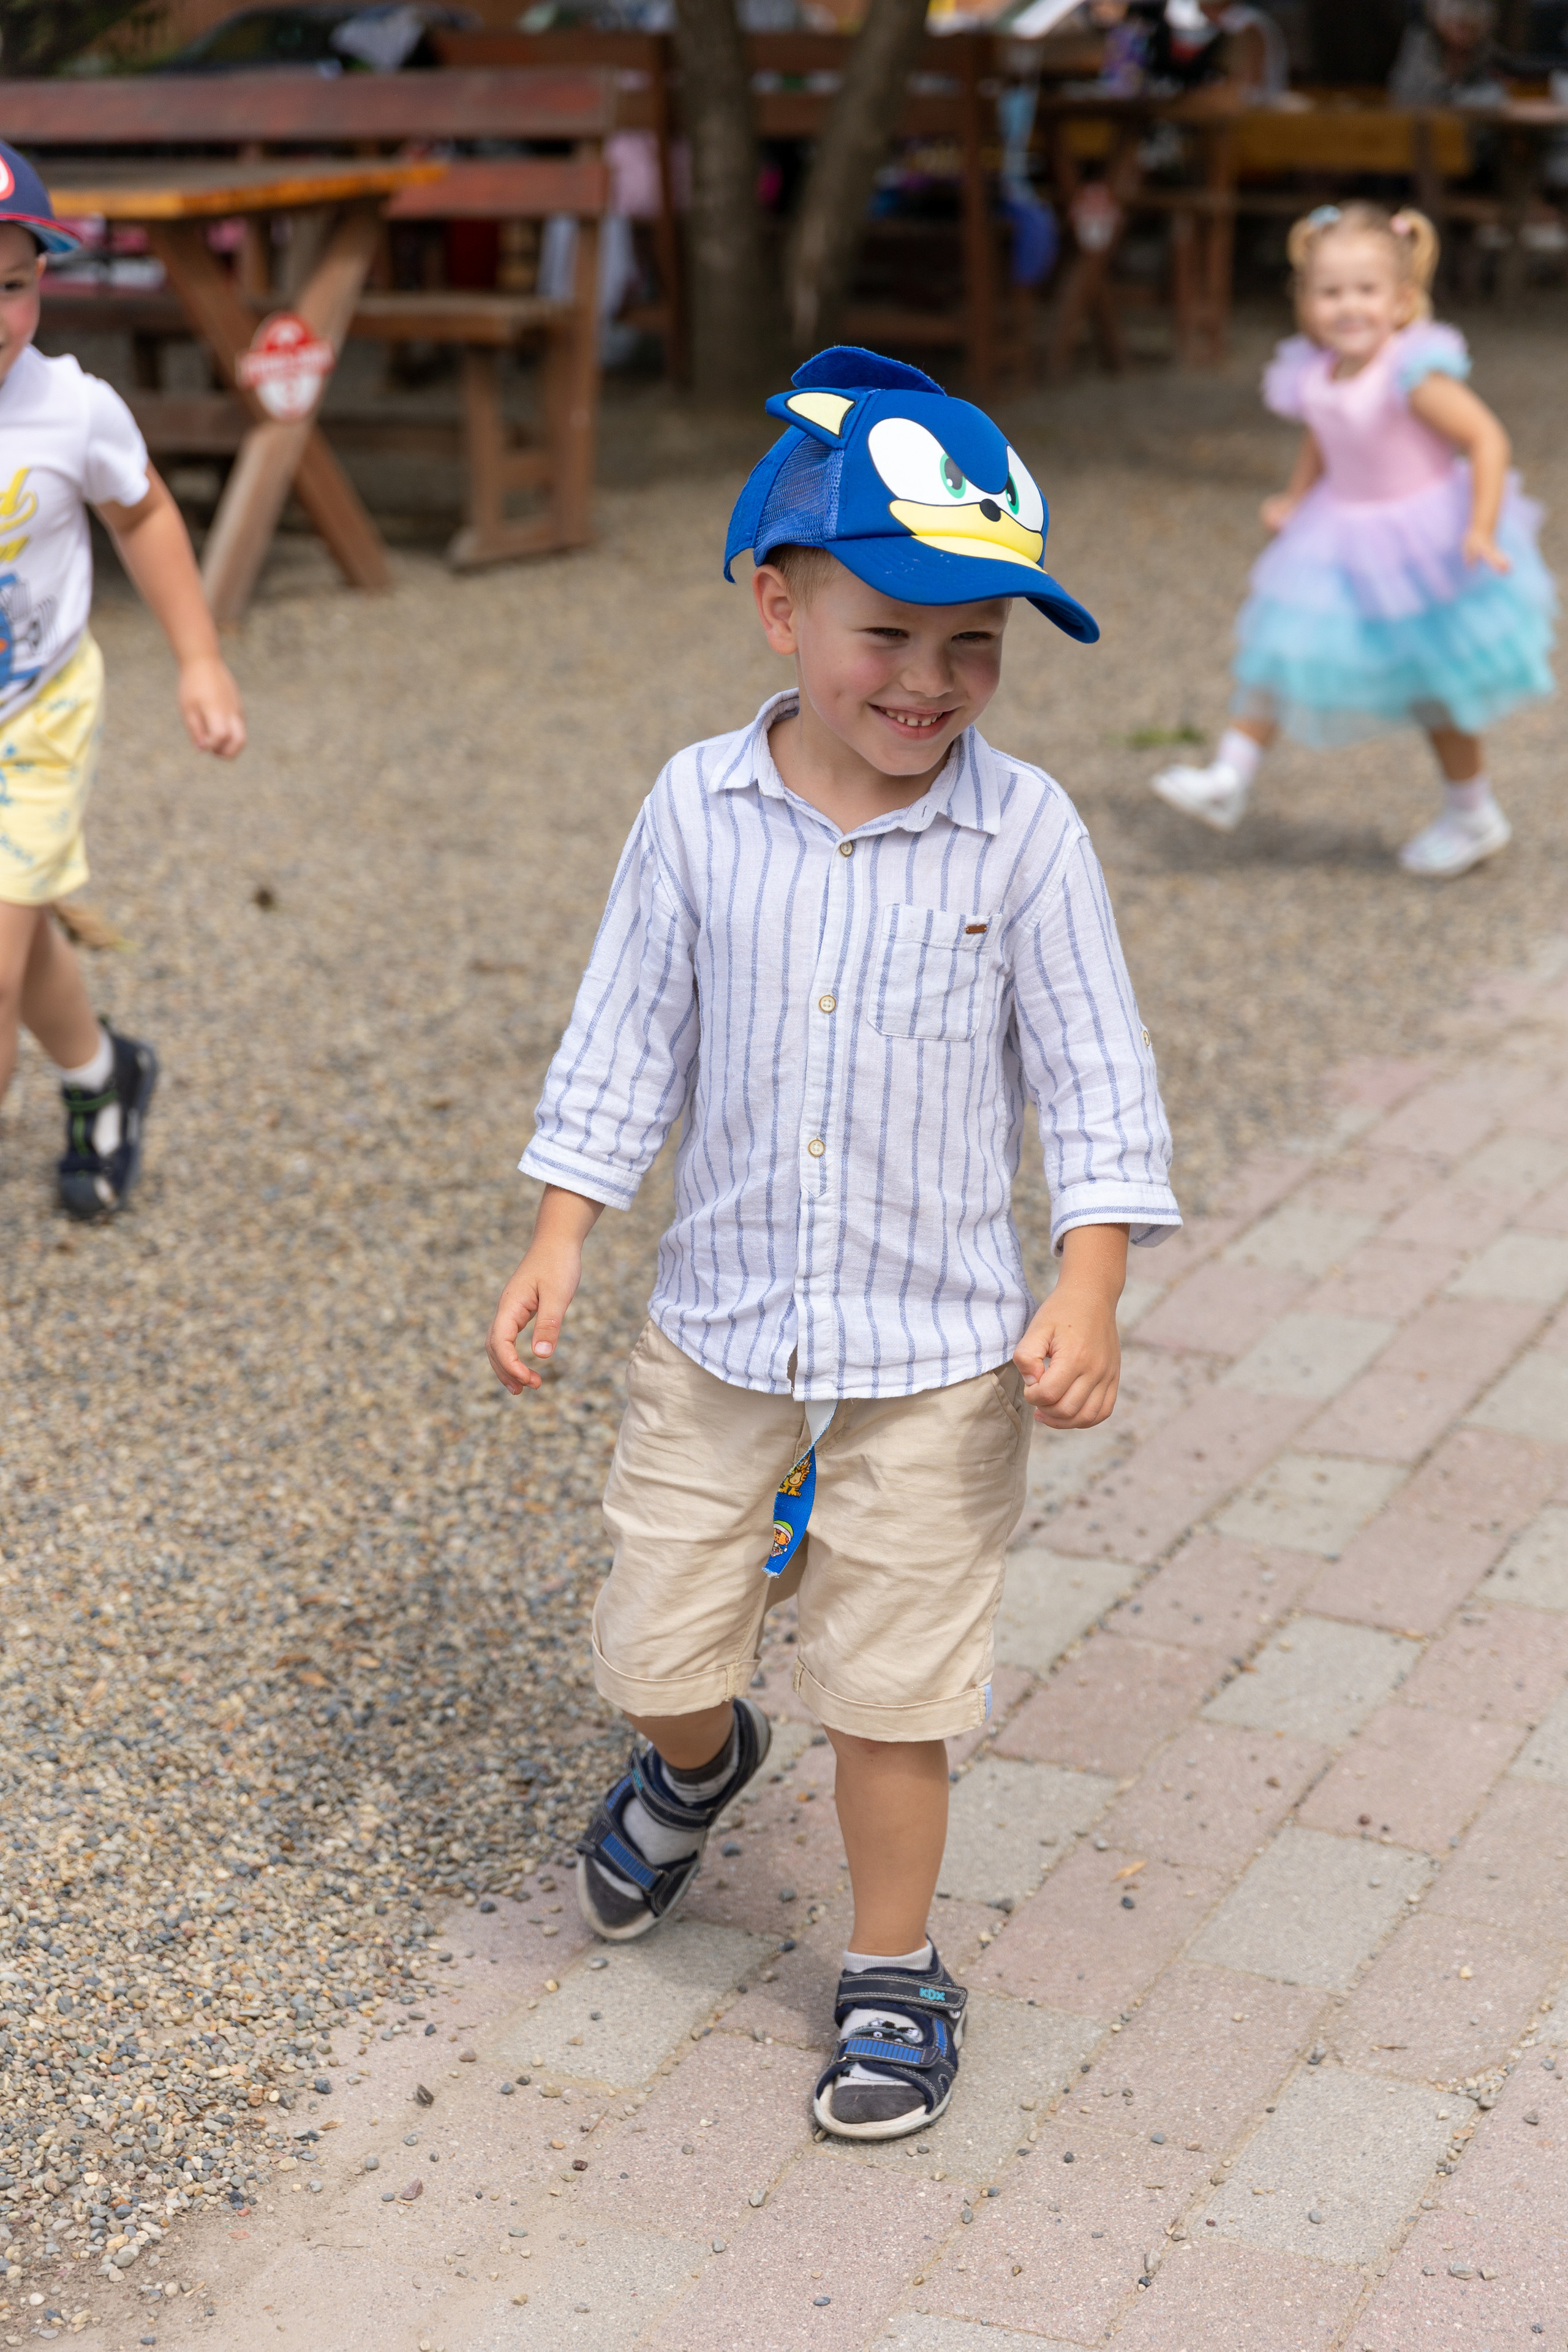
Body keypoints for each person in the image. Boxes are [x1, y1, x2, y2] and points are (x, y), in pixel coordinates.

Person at [487, 345, 1180, 2142]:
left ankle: (890, 1966)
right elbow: (625, 1031)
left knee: (895, 1685)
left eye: (977, 645)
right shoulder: (692, 812)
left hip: (934, 1362)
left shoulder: (1021, 833)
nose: (932, 681)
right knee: (657, 1642)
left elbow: (1097, 1074)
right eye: (889, 632)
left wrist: (1087, 1274)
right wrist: (564, 1226)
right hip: (717, 1333)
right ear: (776, 607)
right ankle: (697, 1759)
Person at [1150, 202, 1555, 877]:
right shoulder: (1318, 372)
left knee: (1438, 690)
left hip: (1421, 544)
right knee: (1282, 648)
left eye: (1365, 291)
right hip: (1339, 535)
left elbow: (1485, 438)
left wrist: (1480, 526)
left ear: (1400, 301)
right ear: (1304, 301)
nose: (1347, 307)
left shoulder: (1412, 375)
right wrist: (1294, 494)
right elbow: (1323, 432)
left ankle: (1473, 811)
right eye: (1329, 291)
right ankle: (1229, 774)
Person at [0, 143, 244, 1219]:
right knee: (17, 932)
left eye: (9, 286)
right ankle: (104, 1078)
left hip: (34, 722)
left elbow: (143, 512)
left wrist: (198, 656)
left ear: (40, 282)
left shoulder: (71, 408)